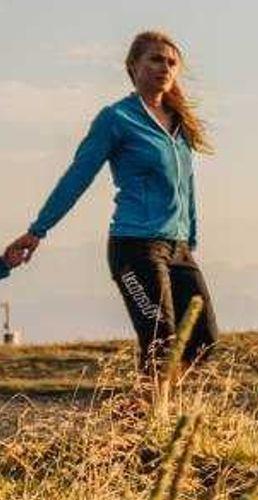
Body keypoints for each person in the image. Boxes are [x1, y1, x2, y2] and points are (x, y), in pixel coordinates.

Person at [4, 31, 220, 383]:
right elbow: (77, 176)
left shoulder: (179, 124)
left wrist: (190, 236)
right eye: (155, 59)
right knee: (160, 343)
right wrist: (37, 230)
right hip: (135, 248)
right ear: (133, 66)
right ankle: (153, 410)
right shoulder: (117, 118)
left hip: (178, 249)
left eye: (171, 62)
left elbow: (187, 186)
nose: (164, 67)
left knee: (203, 341)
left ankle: (144, 407)